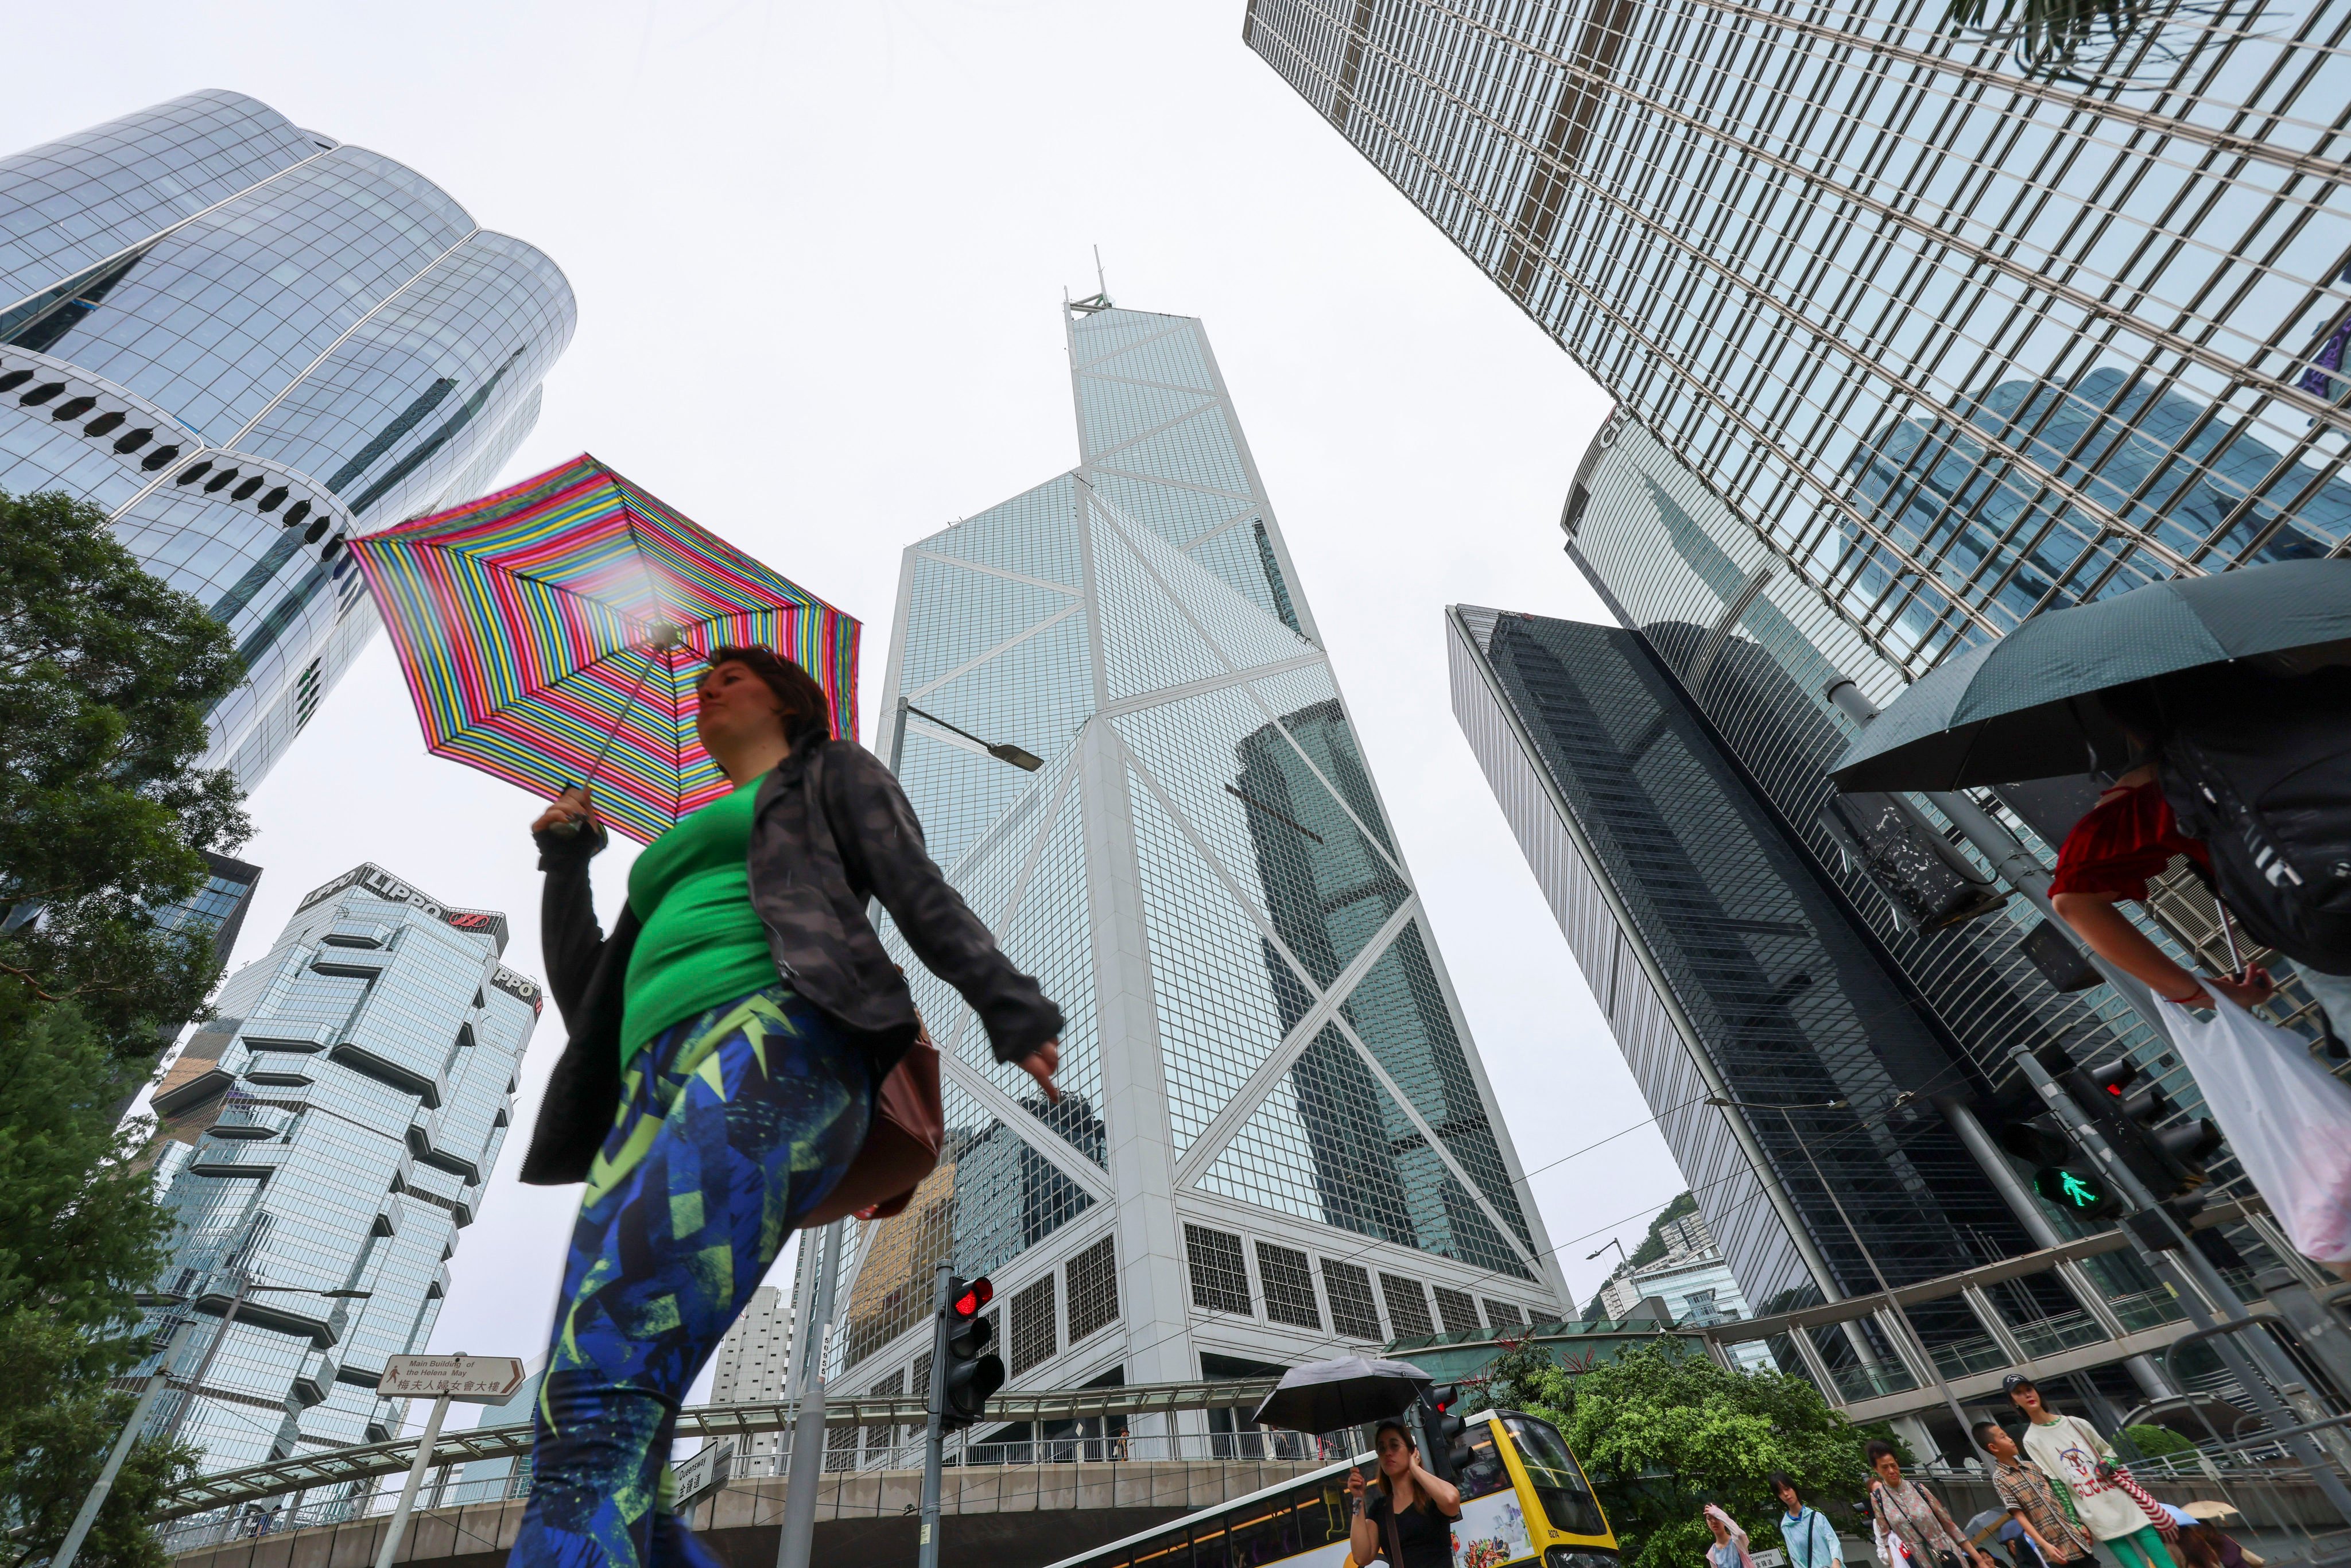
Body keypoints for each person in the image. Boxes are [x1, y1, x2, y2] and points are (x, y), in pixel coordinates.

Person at [507, 647, 1065, 1568]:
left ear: (788, 698)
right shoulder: (676, 844)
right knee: (597, 1415)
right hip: (651, 1084)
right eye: (701, 682)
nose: (709, 685)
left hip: (776, 1045)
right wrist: (565, 863)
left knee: (607, 1376)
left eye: (735, 673)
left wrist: (1008, 1005)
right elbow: (589, 999)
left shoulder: (830, 773)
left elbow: (915, 885)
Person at [2005, 1376, 2179, 1568]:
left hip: (2119, 1497)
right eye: (2019, 1393)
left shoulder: (2075, 1423)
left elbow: (2109, 1452)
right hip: (2093, 1509)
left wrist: (2107, 1463)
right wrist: (2074, 1521)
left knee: (2165, 1563)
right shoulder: (2032, 1440)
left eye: (2029, 1389)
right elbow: (2056, 1482)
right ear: (2014, 1401)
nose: (2027, 1395)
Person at [1970, 1420, 2094, 1568]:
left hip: (2076, 1538)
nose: (2010, 1439)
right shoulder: (2001, 1479)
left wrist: (2078, 1523)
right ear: (1993, 1447)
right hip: (2053, 1548)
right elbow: (2019, 1516)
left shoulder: (2033, 1467)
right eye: (2003, 1437)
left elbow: (2061, 1497)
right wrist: (2044, 1544)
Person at [1345, 1420, 1463, 1568]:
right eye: (1382, 1449)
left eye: (1394, 1446)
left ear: (1411, 1451)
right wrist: (1358, 1498)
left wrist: (1416, 1469)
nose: (1388, 1453)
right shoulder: (1380, 1509)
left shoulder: (1431, 1496)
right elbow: (1362, 1557)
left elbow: (1452, 1500)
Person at [1865, 1440, 1996, 1568]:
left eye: (1893, 1465)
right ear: (1876, 1469)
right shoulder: (1878, 1499)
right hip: (1919, 1559)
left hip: (1947, 1553)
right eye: (1885, 1467)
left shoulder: (1919, 1489)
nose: (1891, 1471)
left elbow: (1950, 1526)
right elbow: (1887, 1540)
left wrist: (1979, 1560)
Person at [1772, 1473, 1844, 1568]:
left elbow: (1833, 1542)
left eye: (1787, 1488)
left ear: (1794, 1488)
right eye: (1780, 1492)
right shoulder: (1786, 1526)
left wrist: (1836, 1563)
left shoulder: (1817, 1517)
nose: (1786, 1494)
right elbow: (1796, 1559)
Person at [1707, 1504, 1757, 1568]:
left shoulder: (1737, 1542)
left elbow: (1739, 1534)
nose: (1714, 1521)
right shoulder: (1712, 1553)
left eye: (1717, 1517)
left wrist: (1718, 1513)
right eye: (1709, 1518)